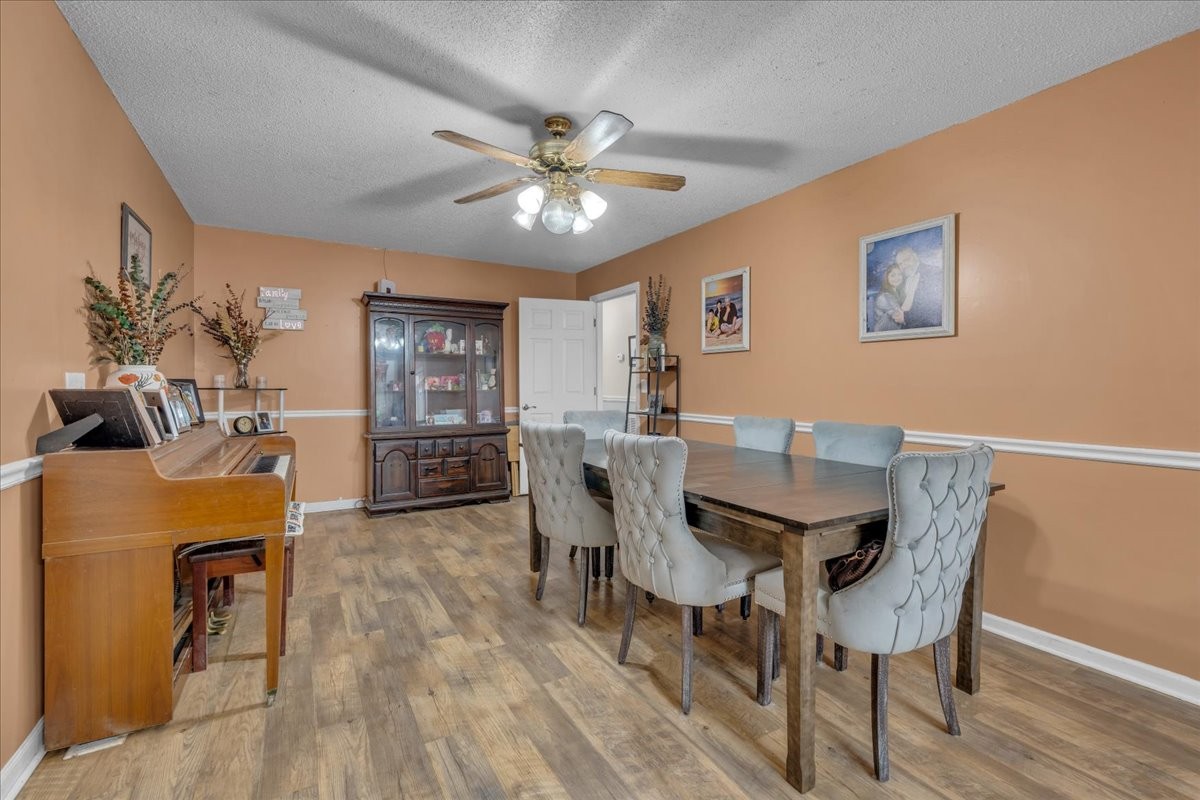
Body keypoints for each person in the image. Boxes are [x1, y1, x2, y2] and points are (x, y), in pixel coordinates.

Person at [894, 246, 942, 329]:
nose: (904, 265)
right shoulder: (900, 282)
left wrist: (906, 317)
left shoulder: (935, 273)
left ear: (915, 256)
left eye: (906, 260)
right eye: (900, 264)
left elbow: (936, 312)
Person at [873, 264, 906, 332]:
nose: (897, 278)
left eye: (899, 274)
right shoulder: (884, 297)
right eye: (893, 275)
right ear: (887, 278)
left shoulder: (898, 293)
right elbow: (900, 318)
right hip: (884, 337)